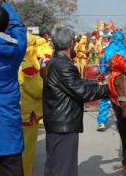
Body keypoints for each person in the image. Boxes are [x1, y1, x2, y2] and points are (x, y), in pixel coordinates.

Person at [42, 26, 110, 176]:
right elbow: (82, 93)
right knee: (63, 170)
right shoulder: (64, 66)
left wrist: (94, 82)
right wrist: (110, 89)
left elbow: (75, 84)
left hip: (57, 124)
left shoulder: (56, 62)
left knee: (54, 167)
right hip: (63, 126)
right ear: (71, 43)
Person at [0, 0, 27, 176]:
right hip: (7, 118)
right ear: (6, 24)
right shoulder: (16, 48)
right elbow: (19, 27)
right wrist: (3, 2)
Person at [18, 33, 43, 176]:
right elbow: (38, 90)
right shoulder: (26, 65)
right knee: (26, 150)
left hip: (9, 111)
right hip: (26, 114)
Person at [97, 31, 126, 131]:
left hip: (109, 76)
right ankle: (120, 122)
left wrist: (103, 72)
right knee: (121, 99)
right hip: (123, 78)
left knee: (105, 99)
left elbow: (102, 64)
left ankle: (101, 123)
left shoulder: (107, 50)